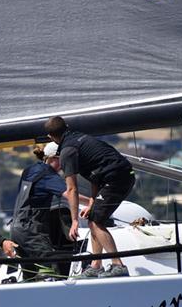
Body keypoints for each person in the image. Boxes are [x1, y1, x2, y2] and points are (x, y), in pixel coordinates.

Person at [45, 116, 135, 278]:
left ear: (51, 137)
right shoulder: (81, 138)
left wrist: (73, 221)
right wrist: (92, 202)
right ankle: (96, 264)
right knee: (93, 217)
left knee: (95, 221)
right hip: (119, 175)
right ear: (67, 126)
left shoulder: (67, 151)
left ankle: (118, 264)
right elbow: (95, 177)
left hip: (116, 178)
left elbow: (71, 189)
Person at [11, 143, 91, 281]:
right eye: (64, 160)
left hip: (16, 229)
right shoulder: (48, 175)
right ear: (54, 158)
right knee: (50, 271)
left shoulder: (30, 170)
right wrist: (91, 201)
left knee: (29, 275)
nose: (66, 164)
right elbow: (70, 193)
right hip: (31, 230)